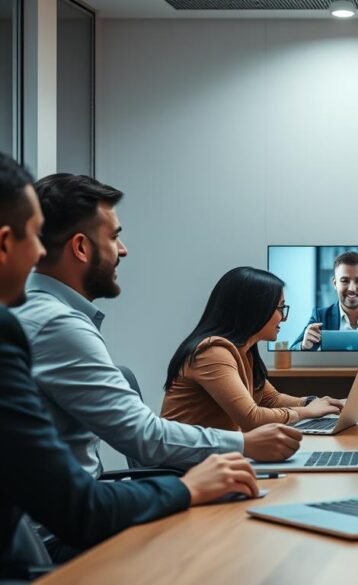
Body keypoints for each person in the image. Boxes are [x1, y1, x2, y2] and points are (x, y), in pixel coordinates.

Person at [0, 153, 259, 579]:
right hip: (55, 541)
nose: (38, 253)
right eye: (32, 237)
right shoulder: (46, 322)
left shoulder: (37, 319)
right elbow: (78, 505)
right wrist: (189, 486)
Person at [13, 174, 301, 477]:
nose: (122, 250)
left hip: (77, 503)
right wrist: (244, 444)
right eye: (113, 237)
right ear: (81, 248)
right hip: (66, 519)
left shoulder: (34, 311)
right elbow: (144, 436)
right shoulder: (58, 324)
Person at [163, 267, 344, 431]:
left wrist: (311, 402)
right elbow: (252, 418)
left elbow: (271, 399)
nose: (284, 318)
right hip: (188, 464)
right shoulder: (212, 352)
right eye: (280, 308)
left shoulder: (244, 351)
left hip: (216, 456)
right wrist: (307, 412)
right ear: (254, 309)